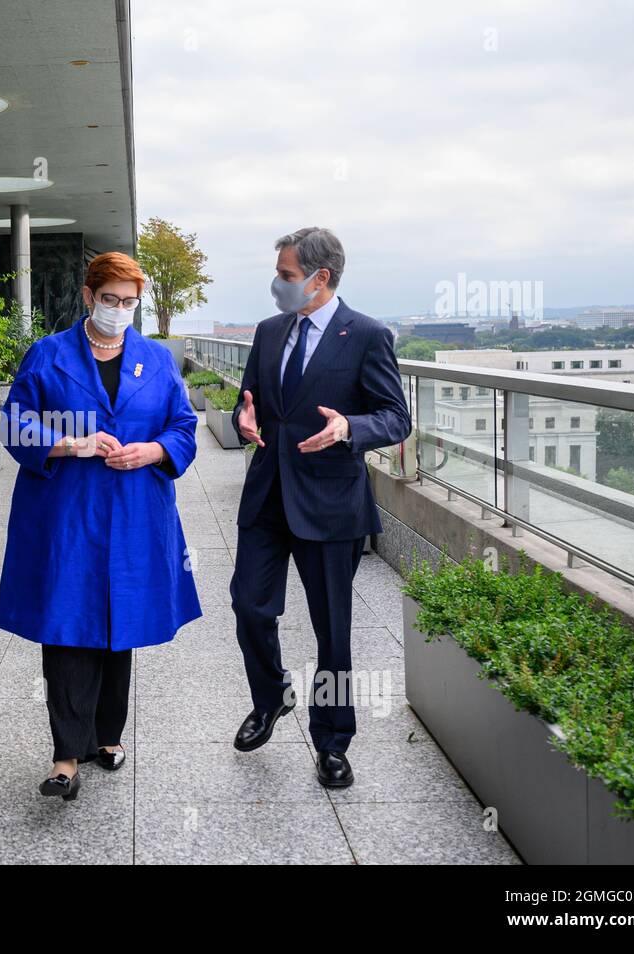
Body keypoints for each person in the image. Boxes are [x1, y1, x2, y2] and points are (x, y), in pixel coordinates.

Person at [0, 251, 202, 801]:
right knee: (66, 626)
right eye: (110, 300)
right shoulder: (49, 354)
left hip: (134, 512)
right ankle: (66, 757)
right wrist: (69, 444)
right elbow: (13, 423)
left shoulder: (156, 359)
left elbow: (184, 426)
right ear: (88, 296)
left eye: (129, 303)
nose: (119, 310)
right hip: (66, 512)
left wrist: (154, 449)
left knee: (118, 624)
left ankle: (107, 736)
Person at [229, 227, 411, 788]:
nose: (277, 285)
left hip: (331, 504)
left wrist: (348, 428)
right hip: (267, 495)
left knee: (332, 630)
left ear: (319, 278)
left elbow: (396, 417)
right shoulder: (268, 331)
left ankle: (332, 740)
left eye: (285, 276)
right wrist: (244, 417)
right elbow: (251, 399)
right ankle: (272, 696)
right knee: (250, 606)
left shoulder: (368, 336)